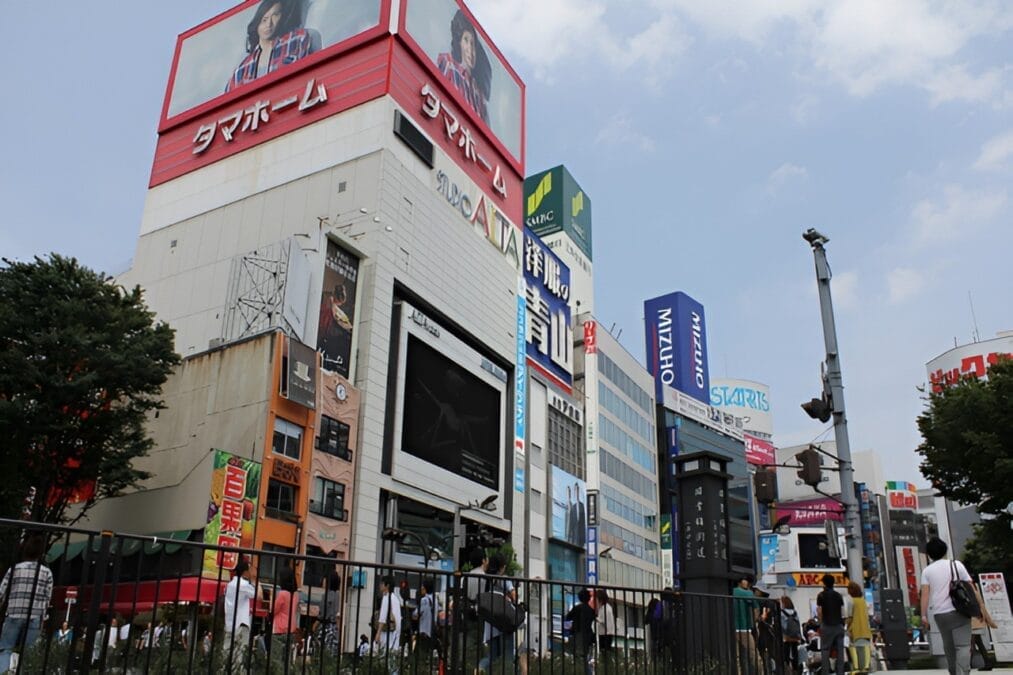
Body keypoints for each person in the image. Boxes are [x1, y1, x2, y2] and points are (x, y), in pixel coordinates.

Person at [225, 0, 315, 93]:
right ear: (257, 23)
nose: (269, 24)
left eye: (275, 15)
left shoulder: (296, 39)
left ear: (281, 16)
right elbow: (229, 102)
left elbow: (312, 73)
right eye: (264, 19)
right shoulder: (241, 70)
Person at [920, 537, 975, 675]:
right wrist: (980, 607)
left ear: (929, 554)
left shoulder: (927, 571)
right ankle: (963, 672)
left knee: (949, 646)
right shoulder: (957, 565)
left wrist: (923, 615)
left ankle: (953, 671)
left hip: (940, 613)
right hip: (960, 610)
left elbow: (925, 595)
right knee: (962, 646)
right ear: (945, 550)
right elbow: (971, 587)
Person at [0, 535, 53, 672]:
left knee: (6, 648)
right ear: (40, 553)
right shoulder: (46, 572)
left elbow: (2, 591)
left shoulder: (14, 569)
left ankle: (4, 671)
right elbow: (47, 597)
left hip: (14, 613)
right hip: (34, 615)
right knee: (28, 653)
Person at [436, 9, 492, 123]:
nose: (470, 50)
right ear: (459, 42)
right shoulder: (448, 64)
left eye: (473, 43)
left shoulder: (479, 96)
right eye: (466, 40)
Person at [478, 553, 516, 674]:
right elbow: (514, 596)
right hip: (504, 620)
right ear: (501, 567)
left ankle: (479, 669)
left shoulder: (486, 579)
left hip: (491, 622)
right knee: (508, 655)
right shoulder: (504, 579)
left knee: (492, 655)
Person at [223, 559, 257, 670]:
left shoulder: (229, 585)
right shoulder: (243, 584)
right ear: (245, 572)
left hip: (229, 623)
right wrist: (253, 579)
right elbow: (256, 594)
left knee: (226, 654)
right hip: (241, 624)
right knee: (239, 656)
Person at [817, 574, 846, 675]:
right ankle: (840, 672)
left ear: (824, 583)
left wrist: (821, 624)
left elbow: (820, 612)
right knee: (840, 651)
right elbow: (843, 612)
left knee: (825, 650)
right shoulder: (838, 595)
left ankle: (826, 672)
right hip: (839, 626)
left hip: (827, 625)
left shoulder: (821, 595)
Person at [271, 566, 300, 663]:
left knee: (276, 659)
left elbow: (274, 609)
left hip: (280, 629)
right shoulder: (296, 595)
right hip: (291, 629)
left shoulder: (282, 594)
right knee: (287, 659)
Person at [564, 588, 596, 675]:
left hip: (577, 634)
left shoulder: (577, 608)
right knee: (585, 658)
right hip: (588, 635)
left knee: (577, 658)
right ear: (589, 598)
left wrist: (567, 631)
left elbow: (567, 618)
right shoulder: (591, 610)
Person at [732, 575, 760, 675]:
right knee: (753, 655)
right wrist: (754, 622)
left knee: (738, 656)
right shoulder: (748, 593)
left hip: (732, 627)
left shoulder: (731, 591)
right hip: (744, 628)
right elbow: (756, 610)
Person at [374, 575, 402, 674]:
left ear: (387, 586)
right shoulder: (395, 599)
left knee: (384, 657)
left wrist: (378, 633)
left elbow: (382, 617)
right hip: (395, 632)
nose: (380, 585)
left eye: (382, 583)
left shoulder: (387, 597)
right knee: (392, 659)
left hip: (387, 634)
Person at [846, 581, 874, 673]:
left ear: (851, 591)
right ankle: (866, 666)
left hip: (855, 627)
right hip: (865, 627)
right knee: (866, 645)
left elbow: (850, 616)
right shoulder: (863, 601)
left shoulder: (851, 601)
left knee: (852, 646)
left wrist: (847, 627)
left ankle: (856, 667)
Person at [779, 596, 803, 674]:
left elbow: (781, 625)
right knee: (795, 653)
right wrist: (799, 636)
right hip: (794, 637)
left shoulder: (781, 612)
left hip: (786, 637)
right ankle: (795, 671)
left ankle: (787, 671)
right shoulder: (795, 612)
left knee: (785, 655)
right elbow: (798, 624)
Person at [595, 589, 616, 656]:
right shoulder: (604, 607)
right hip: (605, 634)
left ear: (600, 599)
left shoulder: (605, 609)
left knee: (604, 654)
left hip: (605, 635)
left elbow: (602, 621)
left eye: (596, 599)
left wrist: (596, 619)